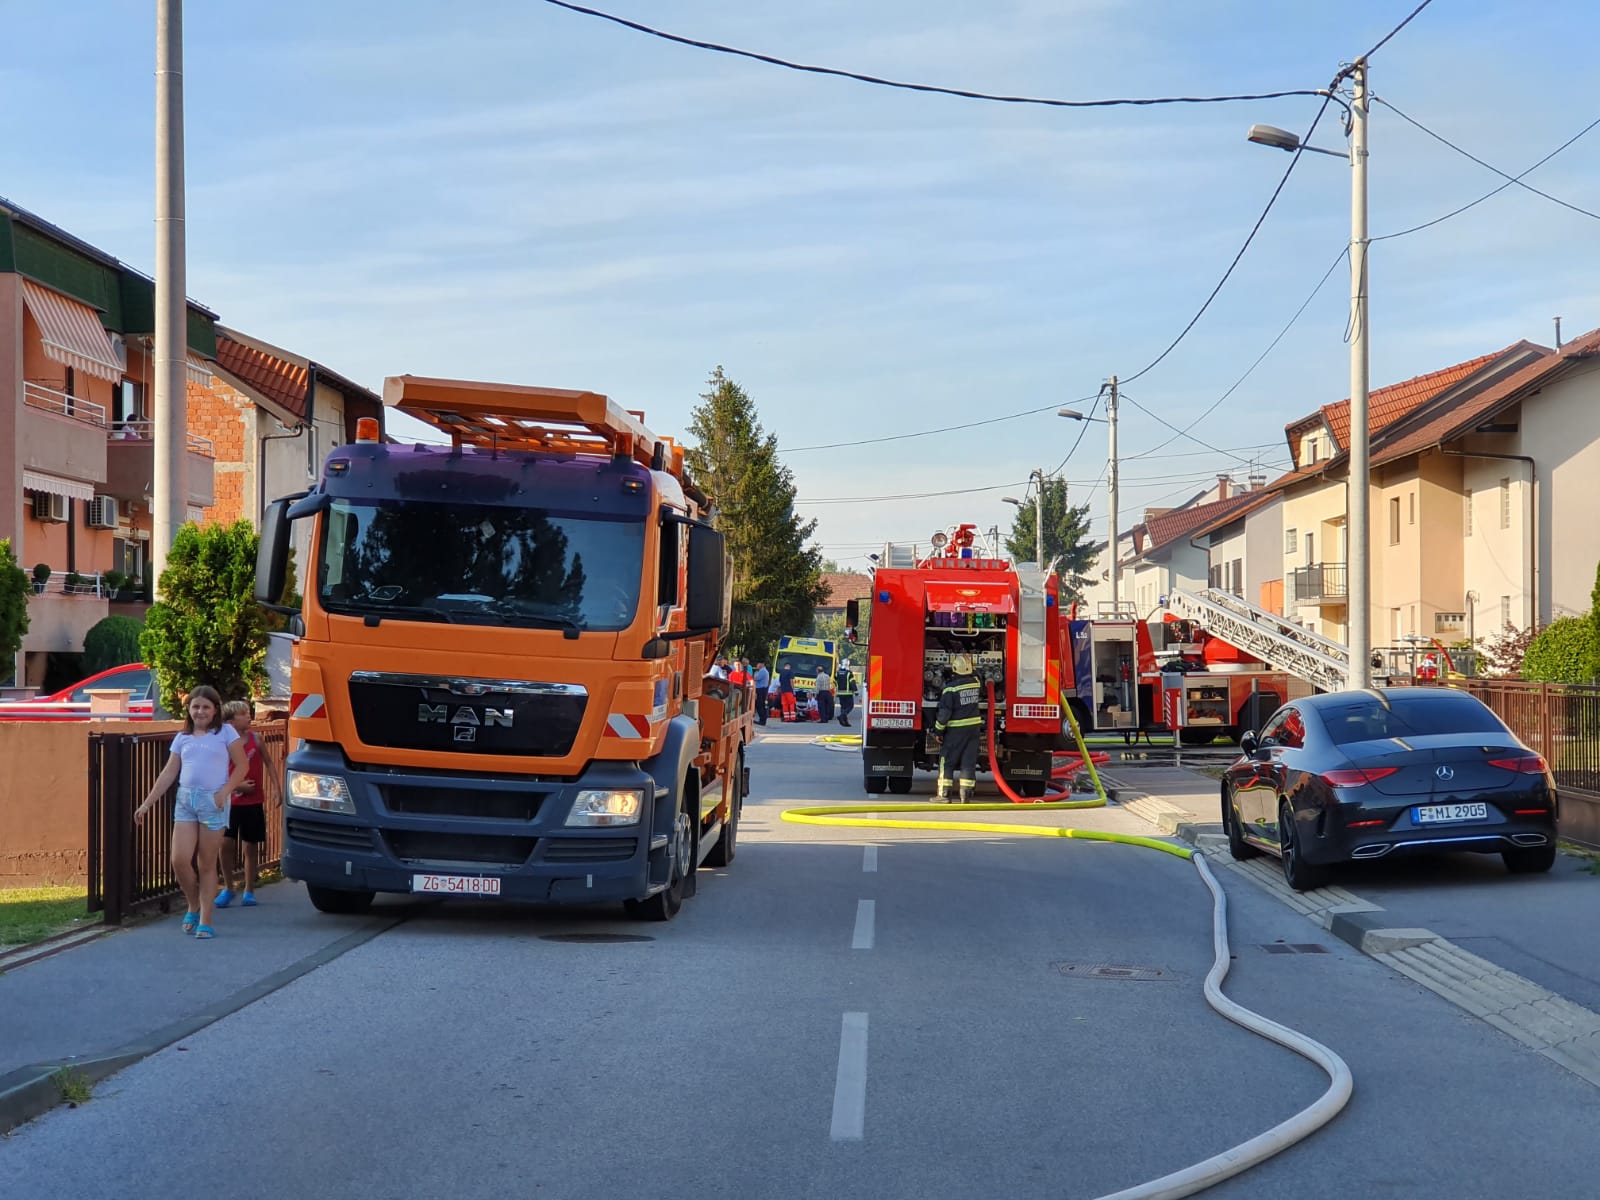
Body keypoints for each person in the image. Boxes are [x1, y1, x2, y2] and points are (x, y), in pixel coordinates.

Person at [133, 685, 250, 939]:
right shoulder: (182, 737)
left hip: (213, 802)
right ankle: (193, 904)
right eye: (195, 706)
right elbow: (168, 773)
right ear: (189, 709)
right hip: (186, 801)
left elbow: (242, 765)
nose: (200, 711)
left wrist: (225, 791)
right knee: (179, 859)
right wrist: (147, 803)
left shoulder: (225, 732)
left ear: (215, 710)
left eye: (206, 707)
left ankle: (206, 919)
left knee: (206, 863)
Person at [216, 700, 266, 908]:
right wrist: (237, 785)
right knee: (225, 843)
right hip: (230, 802)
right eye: (244, 714)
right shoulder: (223, 743)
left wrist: (278, 791)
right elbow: (217, 770)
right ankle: (228, 887)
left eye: (249, 712)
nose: (249, 716)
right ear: (230, 722)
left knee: (250, 845)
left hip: (253, 801)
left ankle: (249, 889)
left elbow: (270, 764)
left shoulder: (257, 739)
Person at [933, 654, 983, 803]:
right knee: (968, 762)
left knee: (947, 760)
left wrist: (938, 731)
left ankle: (944, 795)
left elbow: (944, 714)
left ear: (954, 670)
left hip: (956, 730)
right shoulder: (975, 683)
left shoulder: (950, 689)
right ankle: (965, 796)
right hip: (973, 729)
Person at [835, 660, 856, 727]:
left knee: (843, 707)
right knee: (850, 706)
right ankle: (842, 716)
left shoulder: (837, 673)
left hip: (840, 693)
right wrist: (855, 691)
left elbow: (835, 681)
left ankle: (845, 722)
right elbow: (852, 682)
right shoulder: (849, 673)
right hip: (848, 693)